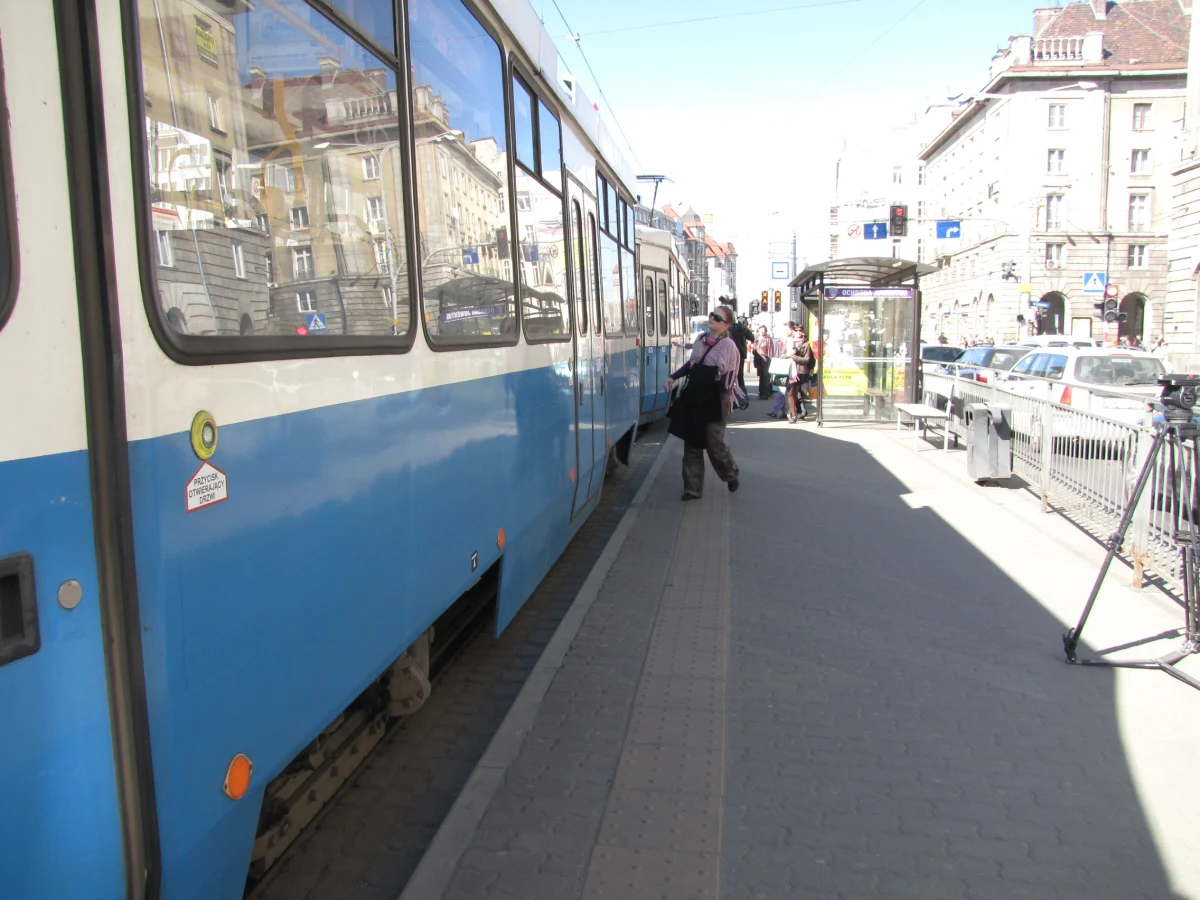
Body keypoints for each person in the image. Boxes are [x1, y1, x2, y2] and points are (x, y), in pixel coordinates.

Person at [665, 305, 743, 500]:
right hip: (696, 394)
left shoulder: (729, 346)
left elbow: (728, 374)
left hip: (717, 397)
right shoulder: (700, 340)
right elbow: (691, 365)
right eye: (712, 315)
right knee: (692, 442)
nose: (712, 319)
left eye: (717, 317)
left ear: (727, 324)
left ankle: (730, 473)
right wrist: (673, 377)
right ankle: (692, 489)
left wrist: (714, 382)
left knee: (714, 443)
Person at [789, 328, 817, 422]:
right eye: (796, 330)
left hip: (800, 371)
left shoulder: (806, 344)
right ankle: (793, 415)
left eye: (800, 331)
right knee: (790, 393)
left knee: (796, 392)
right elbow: (782, 355)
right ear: (793, 332)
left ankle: (796, 412)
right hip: (788, 370)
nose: (798, 332)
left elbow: (807, 359)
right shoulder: (788, 342)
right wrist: (789, 355)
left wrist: (794, 357)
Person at [752, 325, 774, 399]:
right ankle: (761, 393)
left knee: (765, 377)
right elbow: (754, 350)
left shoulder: (768, 339)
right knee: (761, 377)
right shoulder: (757, 339)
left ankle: (765, 394)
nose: (762, 331)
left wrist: (770, 361)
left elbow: (770, 351)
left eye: (764, 330)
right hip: (758, 360)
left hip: (765, 360)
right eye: (761, 330)